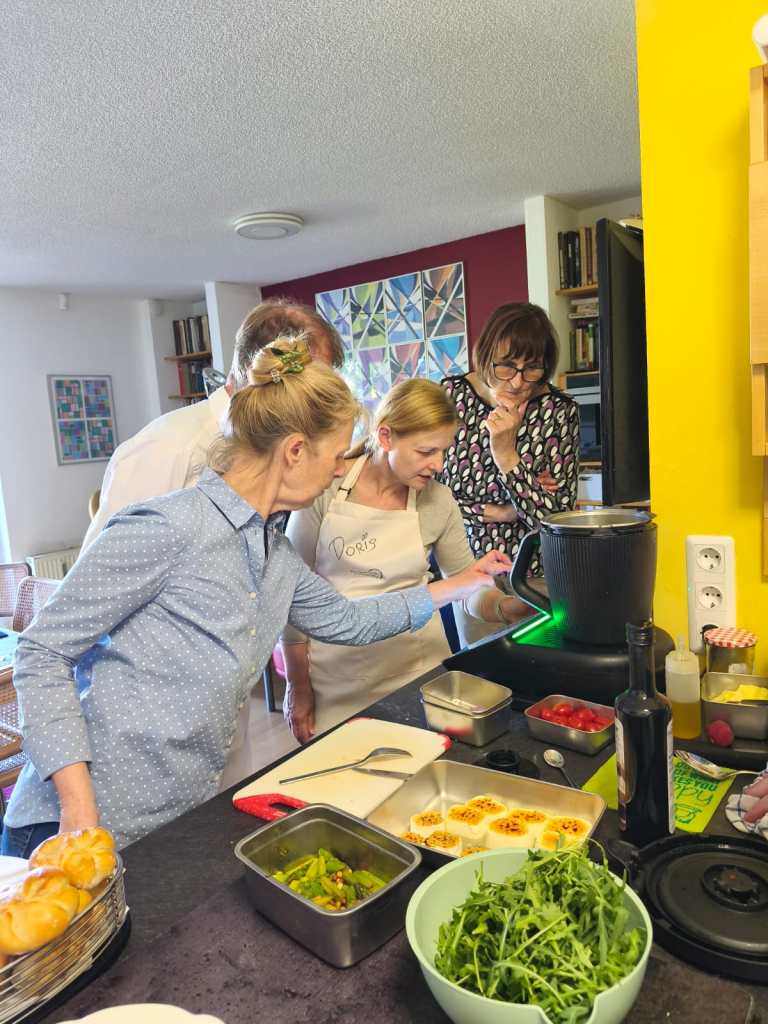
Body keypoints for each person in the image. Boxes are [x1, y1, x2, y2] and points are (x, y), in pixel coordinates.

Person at [1, 341, 509, 856]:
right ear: (295, 451)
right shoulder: (169, 527)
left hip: (169, 824)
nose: (341, 470)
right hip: (70, 829)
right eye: (336, 455)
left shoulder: (274, 555)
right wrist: (78, 808)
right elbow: (41, 652)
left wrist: (463, 583)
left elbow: (350, 622)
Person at [280, 379, 526, 744]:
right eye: (426, 451)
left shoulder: (438, 501)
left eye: (443, 451)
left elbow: (465, 588)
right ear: (385, 436)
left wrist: (508, 607)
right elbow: (291, 597)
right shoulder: (325, 491)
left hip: (420, 676)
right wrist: (298, 685)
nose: (437, 465)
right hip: (339, 681)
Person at [81, 298, 344, 552]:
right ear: (264, 367)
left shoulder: (279, 453)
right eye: (314, 382)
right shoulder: (166, 450)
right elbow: (102, 576)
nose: (321, 397)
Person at [441, 302, 580, 577]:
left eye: (532, 368)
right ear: (485, 355)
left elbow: (556, 523)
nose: (517, 382)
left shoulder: (558, 411)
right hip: (461, 571)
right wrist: (508, 510)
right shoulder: (451, 397)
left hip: (533, 574)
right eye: (506, 366)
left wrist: (506, 455)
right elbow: (429, 501)